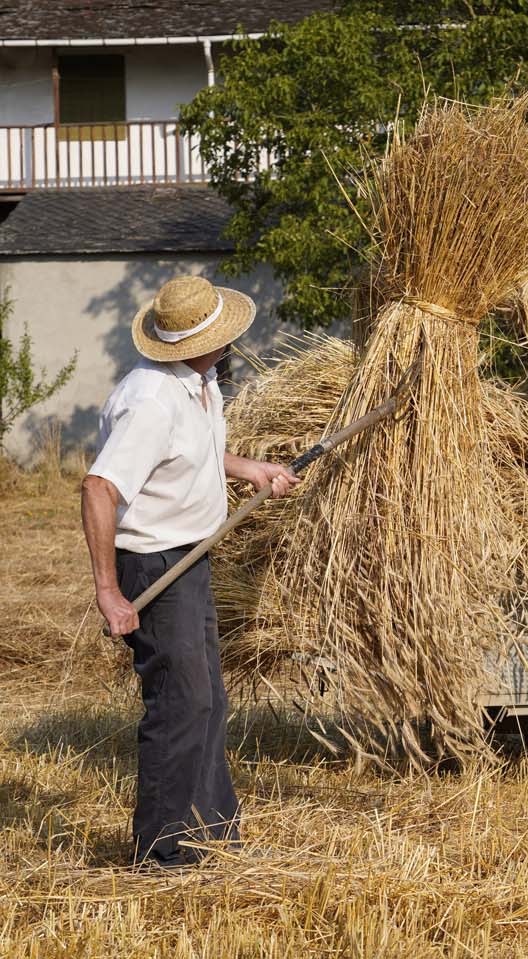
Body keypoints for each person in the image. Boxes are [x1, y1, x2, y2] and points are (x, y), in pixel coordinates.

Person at [81, 275, 299, 868]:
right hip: (155, 563)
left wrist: (248, 468)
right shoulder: (150, 401)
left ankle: (211, 832)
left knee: (208, 700)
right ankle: (162, 851)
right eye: (223, 339)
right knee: (180, 703)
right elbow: (100, 486)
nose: (230, 346)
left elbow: (193, 452)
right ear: (190, 345)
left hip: (192, 556)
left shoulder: (200, 385)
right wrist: (108, 591)